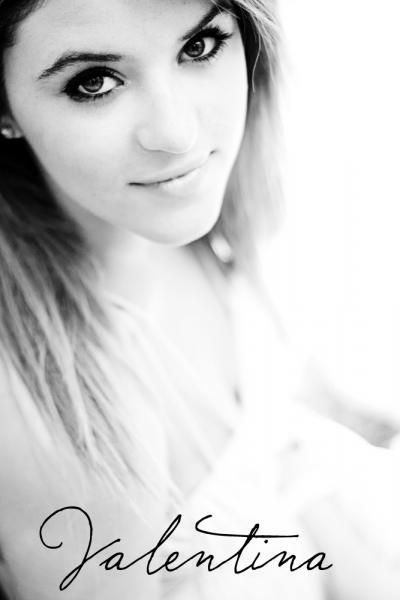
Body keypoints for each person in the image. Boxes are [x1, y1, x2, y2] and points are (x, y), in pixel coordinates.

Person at [0, 0, 399, 599]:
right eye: (94, 81)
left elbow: (290, 435)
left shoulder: (196, 229)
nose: (177, 133)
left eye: (199, 46)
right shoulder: (61, 420)